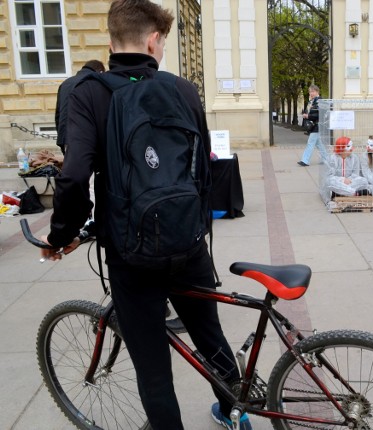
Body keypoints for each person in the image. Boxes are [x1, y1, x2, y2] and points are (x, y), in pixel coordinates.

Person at [38, 1, 251, 429]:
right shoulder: (183, 90)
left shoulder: (89, 93)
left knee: (153, 369)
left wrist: (63, 234)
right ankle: (234, 414)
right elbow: (202, 172)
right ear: (154, 40)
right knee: (211, 338)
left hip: (131, 254)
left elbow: (76, 175)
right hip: (188, 243)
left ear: (111, 40)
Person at [55, 59, 106, 154]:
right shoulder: (94, 82)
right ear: (100, 71)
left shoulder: (66, 83)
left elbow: (58, 113)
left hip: (65, 137)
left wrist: (61, 137)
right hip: (84, 138)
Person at [298, 85, 328, 166]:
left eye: (313, 91)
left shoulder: (320, 101)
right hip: (314, 125)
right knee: (319, 144)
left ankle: (305, 160)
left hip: (318, 125)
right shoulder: (312, 101)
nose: (311, 93)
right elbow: (311, 112)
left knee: (310, 143)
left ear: (317, 92)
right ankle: (326, 159)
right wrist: (305, 114)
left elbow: (320, 115)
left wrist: (308, 116)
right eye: (310, 92)